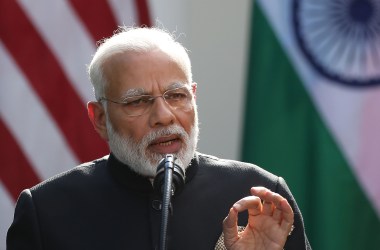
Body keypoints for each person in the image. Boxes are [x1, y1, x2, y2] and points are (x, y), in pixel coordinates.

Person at [7, 26, 311, 250]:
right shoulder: (45, 211)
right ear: (100, 118)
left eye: (176, 96)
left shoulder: (259, 199)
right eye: (138, 101)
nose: (164, 116)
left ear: (193, 98)